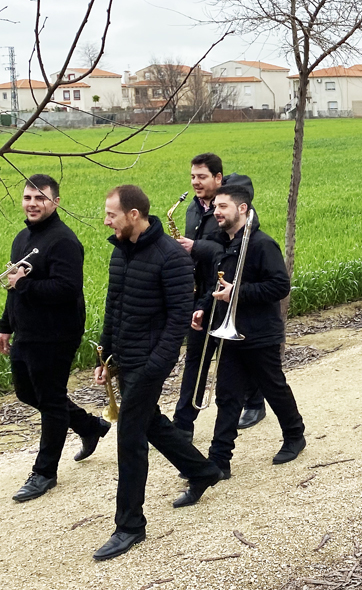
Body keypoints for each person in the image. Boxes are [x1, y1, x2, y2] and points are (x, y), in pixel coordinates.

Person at [94, 185, 225, 561]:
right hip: (125, 357)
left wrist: (156, 365)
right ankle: (202, 470)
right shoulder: (120, 253)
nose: (106, 220)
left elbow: (177, 320)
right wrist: (104, 356)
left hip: (150, 362)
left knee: (130, 437)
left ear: (133, 215)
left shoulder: (171, 258)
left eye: (111, 214)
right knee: (150, 423)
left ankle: (130, 526)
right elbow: (113, 305)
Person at [1, 175, 108, 504]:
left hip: (56, 334)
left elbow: (68, 289)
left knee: (50, 400)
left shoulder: (62, 240)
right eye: (28, 197)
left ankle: (45, 472)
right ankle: (89, 426)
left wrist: (24, 285)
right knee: (26, 392)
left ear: (55, 202)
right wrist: (4, 325)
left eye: (40, 198)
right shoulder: (22, 239)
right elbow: (12, 285)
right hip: (27, 332)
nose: (32, 203)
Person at [197, 184, 305, 486]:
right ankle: (220, 460)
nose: (216, 212)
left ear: (242, 209)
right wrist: (203, 307)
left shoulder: (260, 244)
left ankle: (295, 435)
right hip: (230, 333)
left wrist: (238, 293)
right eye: (215, 207)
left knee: (273, 387)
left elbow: (279, 286)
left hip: (260, 333)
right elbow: (217, 285)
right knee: (227, 396)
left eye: (223, 207)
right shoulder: (223, 245)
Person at [172, 154, 265, 436]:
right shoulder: (192, 208)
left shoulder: (234, 209)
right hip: (201, 290)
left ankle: (255, 401)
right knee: (196, 358)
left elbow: (235, 249)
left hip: (227, 289)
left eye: (201, 177)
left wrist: (196, 246)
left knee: (236, 355)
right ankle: (183, 423)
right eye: (192, 177)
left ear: (218, 178)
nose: (195, 182)